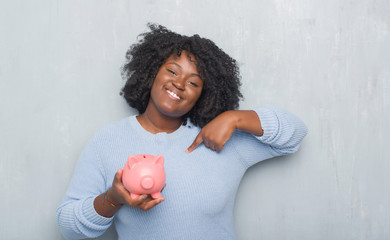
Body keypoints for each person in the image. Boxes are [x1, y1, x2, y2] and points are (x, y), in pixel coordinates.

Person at [56, 24, 308, 240]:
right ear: (151, 71)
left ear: (204, 93)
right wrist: (113, 198)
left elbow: (295, 134)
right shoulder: (108, 141)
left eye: (193, 82)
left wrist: (235, 118)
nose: (179, 83)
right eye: (172, 71)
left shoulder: (219, 138)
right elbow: (69, 228)